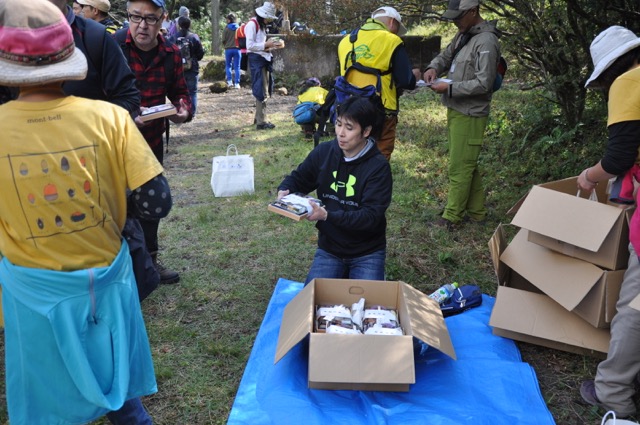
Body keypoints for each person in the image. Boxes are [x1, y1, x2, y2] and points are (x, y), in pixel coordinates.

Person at [0, 0, 170, 423]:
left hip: (33, 294)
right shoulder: (110, 117)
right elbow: (157, 202)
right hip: (104, 284)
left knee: (46, 398)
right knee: (118, 391)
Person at [577, 26, 640, 420]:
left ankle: (613, 392)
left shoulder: (629, 82)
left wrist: (589, 176)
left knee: (635, 303)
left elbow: (618, 158)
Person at [114, 0, 192, 284]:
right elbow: (94, 98)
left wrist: (183, 110)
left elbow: (180, 93)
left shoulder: (170, 53)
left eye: (150, 19)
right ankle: (117, 269)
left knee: (150, 204)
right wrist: (126, 116)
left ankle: (150, 262)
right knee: (112, 205)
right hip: (112, 142)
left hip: (149, 142)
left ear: (163, 20)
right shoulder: (111, 46)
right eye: (135, 17)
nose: (142, 25)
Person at [276, 96, 391, 284]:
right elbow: (300, 177)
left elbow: (370, 217)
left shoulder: (378, 167)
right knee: (315, 300)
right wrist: (285, 189)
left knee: (367, 302)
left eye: (349, 128)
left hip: (367, 251)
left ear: (366, 131)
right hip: (330, 248)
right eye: (338, 124)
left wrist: (327, 216)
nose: (341, 133)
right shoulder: (324, 152)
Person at [423, 0, 501, 230]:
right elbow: (446, 56)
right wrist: (433, 68)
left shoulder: (486, 41)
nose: (455, 22)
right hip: (456, 109)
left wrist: (449, 88)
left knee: (459, 167)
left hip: (471, 113)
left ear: (473, 11)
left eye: (458, 16)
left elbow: (484, 83)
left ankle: (452, 217)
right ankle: (477, 213)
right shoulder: (464, 34)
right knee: (467, 163)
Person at [338, 6, 419, 161]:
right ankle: (375, 177)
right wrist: (414, 75)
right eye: (397, 29)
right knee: (380, 156)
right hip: (382, 109)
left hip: (350, 108)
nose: (396, 33)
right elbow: (406, 81)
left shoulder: (345, 41)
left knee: (352, 155)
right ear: (392, 22)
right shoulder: (392, 41)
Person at [246, 1, 281, 130]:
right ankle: (262, 122)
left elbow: (260, 45)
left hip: (264, 58)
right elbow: (250, 46)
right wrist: (266, 45)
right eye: (268, 18)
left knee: (264, 88)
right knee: (262, 90)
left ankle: (258, 118)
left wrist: (271, 46)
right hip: (257, 60)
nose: (269, 20)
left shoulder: (261, 25)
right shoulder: (252, 25)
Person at [176, 16, 205, 115]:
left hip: (178, 70)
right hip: (192, 68)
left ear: (179, 25)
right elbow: (200, 53)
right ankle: (192, 113)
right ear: (190, 25)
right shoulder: (194, 37)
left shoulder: (174, 37)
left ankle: (181, 112)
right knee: (192, 92)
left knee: (179, 92)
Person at [223, 13, 242, 89]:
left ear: (229, 20)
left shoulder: (226, 28)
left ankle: (230, 82)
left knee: (228, 65)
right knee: (237, 66)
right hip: (237, 49)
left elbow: (223, 40)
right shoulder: (239, 28)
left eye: (227, 19)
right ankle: (237, 83)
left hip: (228, 49)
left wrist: (226, 44)